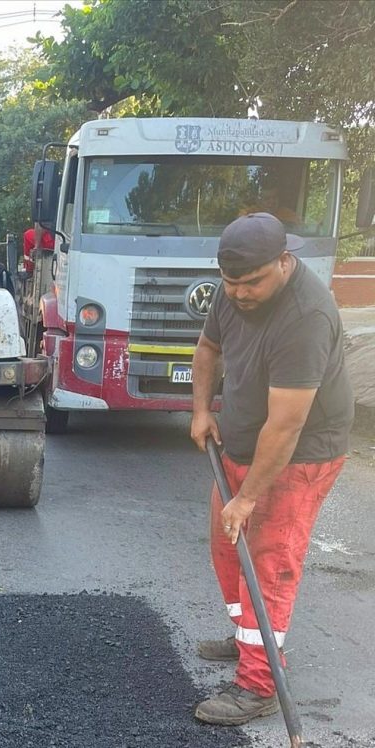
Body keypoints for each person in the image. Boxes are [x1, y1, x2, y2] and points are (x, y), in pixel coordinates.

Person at [190, 212, 354, 726]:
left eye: (251, 282)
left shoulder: (307, 316)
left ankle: (259, 683)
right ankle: (248, 641)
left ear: (285, 261)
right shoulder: (232, 291)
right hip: (241, 442)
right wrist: (200, 410)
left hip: (300, 455)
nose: (239, 293)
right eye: (231, 282)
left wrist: (248, 496)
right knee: (227, 546)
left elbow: (285, 426)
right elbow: (208, 349)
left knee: (268, 561)